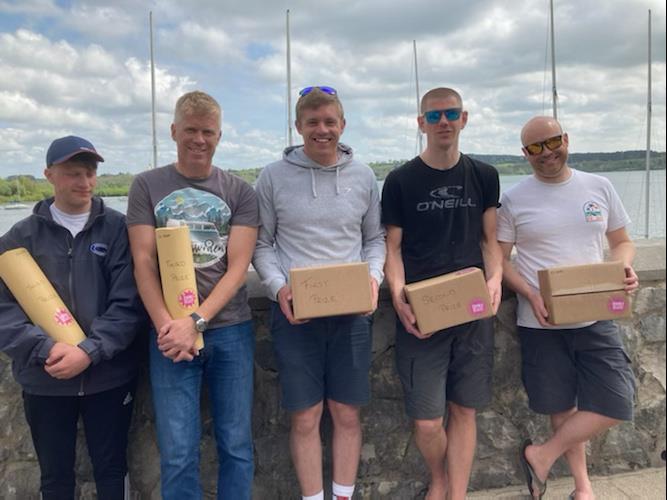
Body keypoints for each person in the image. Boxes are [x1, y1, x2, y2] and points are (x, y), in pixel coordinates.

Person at [253, 86, 385, 500]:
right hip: (295, 315)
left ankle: (342, 497)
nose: (322, 130)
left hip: (352, 314)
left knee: (346, 413)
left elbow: (375, 239)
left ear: (342, 126)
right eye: (313, 122)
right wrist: (278, 289)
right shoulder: (273, 176)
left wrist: (374, 279)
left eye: (330, 122)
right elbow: (262, 244)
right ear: (299, 127)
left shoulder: (363, 176)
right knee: (306, 416)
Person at [126, 91, 259, 500]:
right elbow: (143, 262)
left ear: (219, 136)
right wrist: (169, 326)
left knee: (236, 444)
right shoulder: (147, 186)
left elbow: (238, 269)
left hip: (230, 329)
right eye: (190, 131)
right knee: (178, 451)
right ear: (173, 132)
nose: (199, 140)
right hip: (168, 334)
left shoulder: (240, 192)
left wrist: (195, 322)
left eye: (207, 132)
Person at [497, 116, 638, 500]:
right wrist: (530, 293)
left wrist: (623, 266)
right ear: (525, 154)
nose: (547, 153)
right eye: (535, 148)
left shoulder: (599, 186)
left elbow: (622, 241)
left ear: (566, 139)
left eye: (553, 141)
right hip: (540, 321)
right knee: (561, 406)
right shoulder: (514, 198)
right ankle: (582, 487)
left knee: (617, 399)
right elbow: (500, 260)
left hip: (595, 316)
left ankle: (540, 455)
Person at [0, 136, 146, 500]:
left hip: (109, 377)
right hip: (44, 379)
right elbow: (5, 312)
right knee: (55, 478)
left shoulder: (118, 230)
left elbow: (128, 303)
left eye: (90, 173)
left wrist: (89, 351)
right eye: (73, 173)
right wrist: (44, 348)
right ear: (49, 175)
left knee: (112, 469)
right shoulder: (17, 239)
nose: (84, 182)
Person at [381, 87, 502, 500]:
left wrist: (496, 280)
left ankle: (457, 494)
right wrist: (398, 296)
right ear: (421, 124)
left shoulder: (484, 175)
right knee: (428, 421)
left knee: (465, 410)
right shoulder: (400, 180)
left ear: (464, 118)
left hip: (472, 311)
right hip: (423, 315)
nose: (443, 122)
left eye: (451, 114)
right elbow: (391, 250)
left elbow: (491, 242)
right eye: (434, 117)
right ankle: (439, 477)